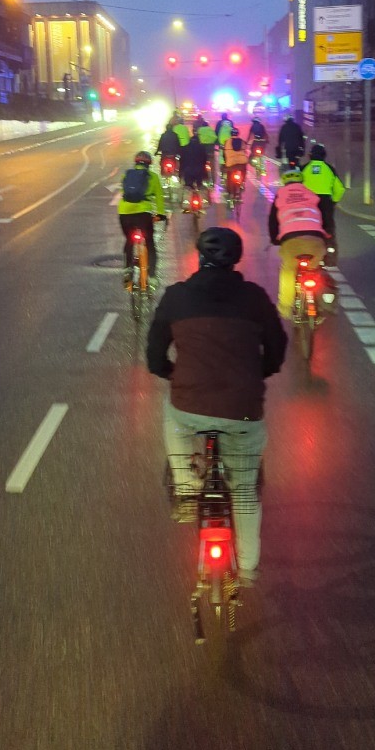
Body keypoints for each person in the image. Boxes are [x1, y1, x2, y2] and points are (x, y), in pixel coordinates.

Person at [147, 227, 288, 585]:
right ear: (236, 260)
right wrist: (260, 371)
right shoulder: (254, 298)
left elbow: (154, 355)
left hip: (189, 404)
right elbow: (277, 346)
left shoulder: (176, 297)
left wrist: (171, 373)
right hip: (243, 409)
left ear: (199, 257)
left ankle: (186, 488)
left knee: (173, 416)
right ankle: (248, 568)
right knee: (244, 491)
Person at [268, 166, 329, 318]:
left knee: (288, 271)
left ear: (284, 182)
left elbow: (272, 222)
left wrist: (274, 239)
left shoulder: (280, 196)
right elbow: (325, 216)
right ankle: (320, 304)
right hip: (315, 239)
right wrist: (326, 235)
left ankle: (285, 308)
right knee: (316, 270)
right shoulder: (311, 194)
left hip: (291, 241)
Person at [118, 151, 166, 290]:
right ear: (149, 164)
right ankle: (152, 276)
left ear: (136, 162)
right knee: (149, 243)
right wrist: (161, 214)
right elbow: (159, 197)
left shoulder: (126, 175)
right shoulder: (153, 177)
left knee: (129, 239)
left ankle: (128, 269)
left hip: (124, 212)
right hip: (143, 214)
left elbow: (124, 193)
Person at [301, 143, 346, 251]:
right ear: (324, 155)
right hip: (325, 203)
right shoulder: (329, 169)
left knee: (304, 227)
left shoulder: (303, 168)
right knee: (328, 227)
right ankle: (330, 249)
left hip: (307, 203)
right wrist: (333, 201)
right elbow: (340, 189)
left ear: (310, 155)